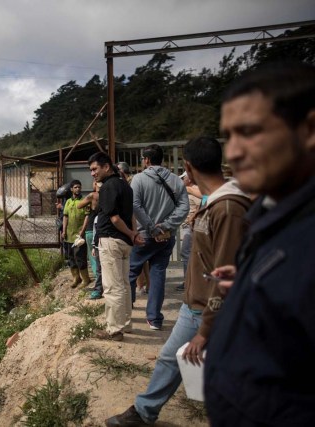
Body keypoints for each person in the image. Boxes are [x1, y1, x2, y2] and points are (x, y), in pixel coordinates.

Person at [105, 137, 251, 426]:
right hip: (195, 303)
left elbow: (225, 274)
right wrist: (167, 228)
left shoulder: (228, 208)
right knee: (172, 360)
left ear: (188, 166)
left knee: (210, 371)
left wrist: (207, 327)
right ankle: (145, 410)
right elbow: (183, 208)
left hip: (209, 310)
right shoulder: (214, 202)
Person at [204, 62, 315, 426]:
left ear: (309, 129)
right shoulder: (276, 215)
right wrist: (255, 277)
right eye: (228, 136)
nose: (233, 153)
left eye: (249, 132)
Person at [129, 144, 190, 330]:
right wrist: (166, 226)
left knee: (131, 272)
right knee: (158, 274)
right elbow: (184, 207)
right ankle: (154, 319)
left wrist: (151, 227)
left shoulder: (138, 179)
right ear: (161, 159)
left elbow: (135, 205)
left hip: (144, 236)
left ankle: (125, 308)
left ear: (146, 160)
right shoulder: (175, 180)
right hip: (166, 236)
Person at [88, 152, 144, 341]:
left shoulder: (109, 187)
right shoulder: (125, 186)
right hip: (123, 243)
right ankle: (125, 324)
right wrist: (133, 234)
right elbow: (131, 216)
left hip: (112, 241)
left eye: (95, 169)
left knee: (112, 287)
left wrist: (131, 233)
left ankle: (114, 330)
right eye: (91, 170)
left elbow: (114, 218)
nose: (92, 173)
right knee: (125, 285)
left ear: (106, 167)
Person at [175, 172, 202, 291]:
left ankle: (189, 282)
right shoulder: (189, 189)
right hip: (189, 226)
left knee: (186, 253)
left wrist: (192, 218)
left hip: (192, 226)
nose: (182, 179)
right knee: (187, 253)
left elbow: (201, 205)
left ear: (190, 178)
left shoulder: (195, 190)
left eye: (183, 177)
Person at [77, 180, 104, 299]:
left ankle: (98, 285)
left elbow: (79, 205)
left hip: (91, 229)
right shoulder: (108, 195)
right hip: (103, 229)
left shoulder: (93, 195)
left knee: (93, 259)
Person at [61, 180, 90, 288]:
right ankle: (76, 278)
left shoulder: (84, 201)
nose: (78, 189)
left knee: (80, 257)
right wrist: (64, 231)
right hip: (69, 235)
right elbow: (65, 216)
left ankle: (85, 279)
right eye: (75, 187)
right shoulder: (68, 202)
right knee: (71, 257)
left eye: (79, 187)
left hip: (79, 236)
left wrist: (82, 231)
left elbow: (87, 216)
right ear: (71, 189)